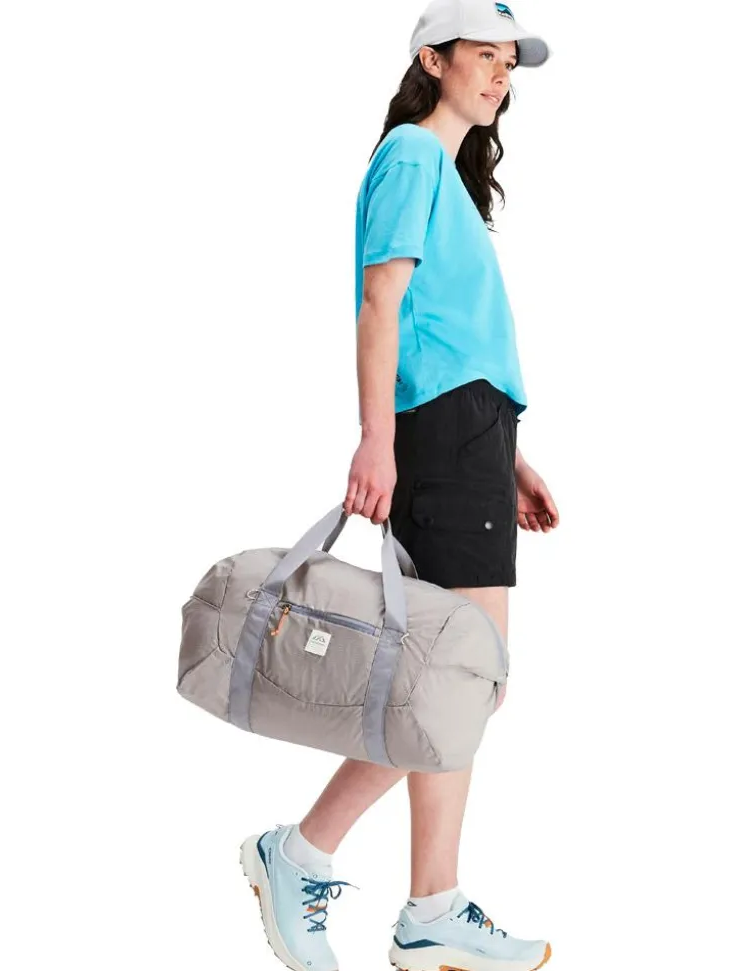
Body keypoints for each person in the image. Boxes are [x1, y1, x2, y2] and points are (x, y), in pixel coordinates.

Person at [239, 2, 560, 969]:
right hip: (439, 440)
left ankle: (427, 905)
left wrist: (507, 457)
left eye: (509, 63)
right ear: (432, 60)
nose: (500, 75)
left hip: (471, 440)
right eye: (484, 56)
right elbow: (381, 302)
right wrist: (376, 439)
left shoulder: (444, 175)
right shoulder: (413, 155)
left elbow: (447, 333)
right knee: (462, 678)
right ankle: (311, 857)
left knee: (454, 680)